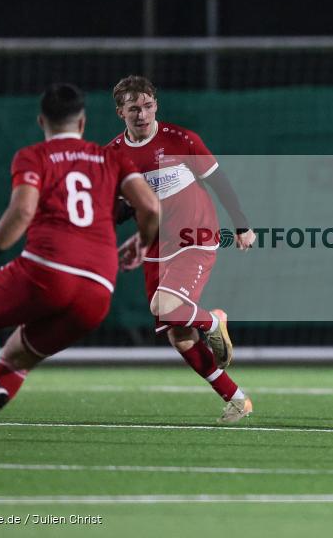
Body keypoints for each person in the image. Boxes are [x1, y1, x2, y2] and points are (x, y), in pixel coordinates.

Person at [0, 83, 160, 456]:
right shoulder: (111, 158)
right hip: (97, 290)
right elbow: (151, 208)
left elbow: (23, 211)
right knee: (15, 359)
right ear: (83, 122)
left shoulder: (34, 156)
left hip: (48, 271)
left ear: (42, 120)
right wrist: (142, 241)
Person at [109, 75, 256, 424]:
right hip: (157, 247)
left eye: (147, 106)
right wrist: (134, 239)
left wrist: (242, 224)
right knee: (179, 335)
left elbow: (219, 182)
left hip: (195, 235)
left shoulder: (182, 139)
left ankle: (212, 320)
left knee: (165, 306)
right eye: (134, 109)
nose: (142, 114)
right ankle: (237, 398)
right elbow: (127, 206)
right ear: (121, 113)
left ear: (155, 106)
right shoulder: (114, 153)